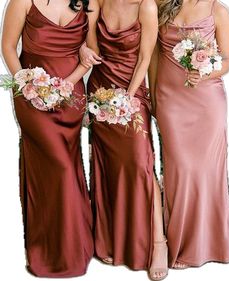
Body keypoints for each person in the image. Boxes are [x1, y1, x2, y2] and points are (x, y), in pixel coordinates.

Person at [2, 0, 94, 277]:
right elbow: (8, 47)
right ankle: (49, 251)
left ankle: (76, 245)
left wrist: (70, 81)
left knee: (68, 166)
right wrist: (27, 85)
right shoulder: (22, 2)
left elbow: (90, 53)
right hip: (32, 98)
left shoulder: (87, 3)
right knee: (57, 169)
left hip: (71, 96)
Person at [82, 0, 168, 280]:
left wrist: (127, 99)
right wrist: (84, 50)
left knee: (141, 164)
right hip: (100, 89)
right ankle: (110, 240)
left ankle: (158, 244)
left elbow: (145, 58)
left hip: (131, 91)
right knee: (106, 164)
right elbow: (93, 47)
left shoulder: (146, 6)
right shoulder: (96, 2)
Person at [149, 0, 229, 269]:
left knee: (208, 172)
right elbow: (153, 56)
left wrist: (207, 70)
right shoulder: (161, 5)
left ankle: (210, 244)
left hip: (207, 102)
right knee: (180, 170)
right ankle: (179, 242)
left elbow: (228, 59)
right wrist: (153, 97)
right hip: (170, 100)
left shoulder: (218, 11)